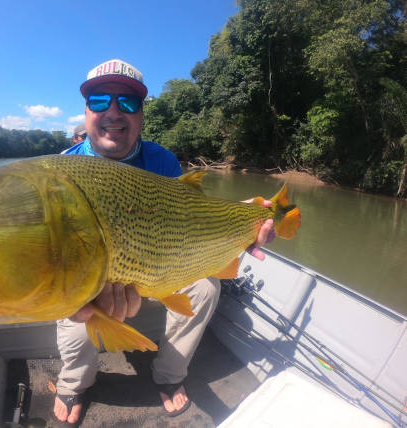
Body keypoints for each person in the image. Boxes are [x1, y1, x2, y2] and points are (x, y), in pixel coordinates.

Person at [54, 58, 275, 424]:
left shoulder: (163, 162)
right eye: (99, 101)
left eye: (127, 103)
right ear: (86, 110)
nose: (113, 111)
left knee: (206, 289)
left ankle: (169, 377)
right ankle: (76, 382)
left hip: (157, 265)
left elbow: (189, 221)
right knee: (74, 316)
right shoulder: (62, 171)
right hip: (91, 277)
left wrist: (244, 223)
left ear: (141, 115)